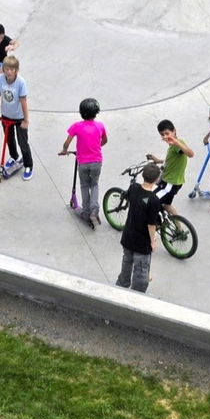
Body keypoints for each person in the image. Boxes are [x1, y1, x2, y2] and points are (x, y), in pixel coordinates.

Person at [60, 97, 108, 227]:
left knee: (85, 185)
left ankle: (86, 212)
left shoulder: (76, 126)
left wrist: (65, 150)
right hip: (97, 161)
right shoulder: (100, 126)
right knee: (94, 184)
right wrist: (96, 146)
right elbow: (104, 141)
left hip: (83, 162)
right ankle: (95, 209)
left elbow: (66, 142)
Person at [116, 163, 164, 293]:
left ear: (143, 175)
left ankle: (122, 284)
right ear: (156, 179)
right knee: (141, 269)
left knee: (127, 261)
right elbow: (151, 224)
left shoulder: (133, 188)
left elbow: (131, 199)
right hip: (141, 242)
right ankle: (137, 292)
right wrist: (153, 241)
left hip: (128, 235)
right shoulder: (154, 200)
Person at [0, 55, 33, 180]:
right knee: (9, 140)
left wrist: (26, 120)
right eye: (7, 69)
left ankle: (28, 165)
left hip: (19, 117)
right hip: (6, 115)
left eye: (12, 69)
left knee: (23, 142)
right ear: (3, 69)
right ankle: (14, 157)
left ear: (16, 70)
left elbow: (23, 101)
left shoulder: (21, 82)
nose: (9, 72)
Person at [148, 118, 195, 216]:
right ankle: (180, 229)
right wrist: (158, 161)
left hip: (170, 183)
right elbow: (172, 160)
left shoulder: (178, 144)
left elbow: (190, 154)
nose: (165, 136)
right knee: (167, 206)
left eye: (167, 133)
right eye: (162, 135)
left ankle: (154, 226)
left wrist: (176, 142)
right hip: (170, 181)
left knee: (149, 202)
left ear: (174, 131)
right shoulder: (172, 146)